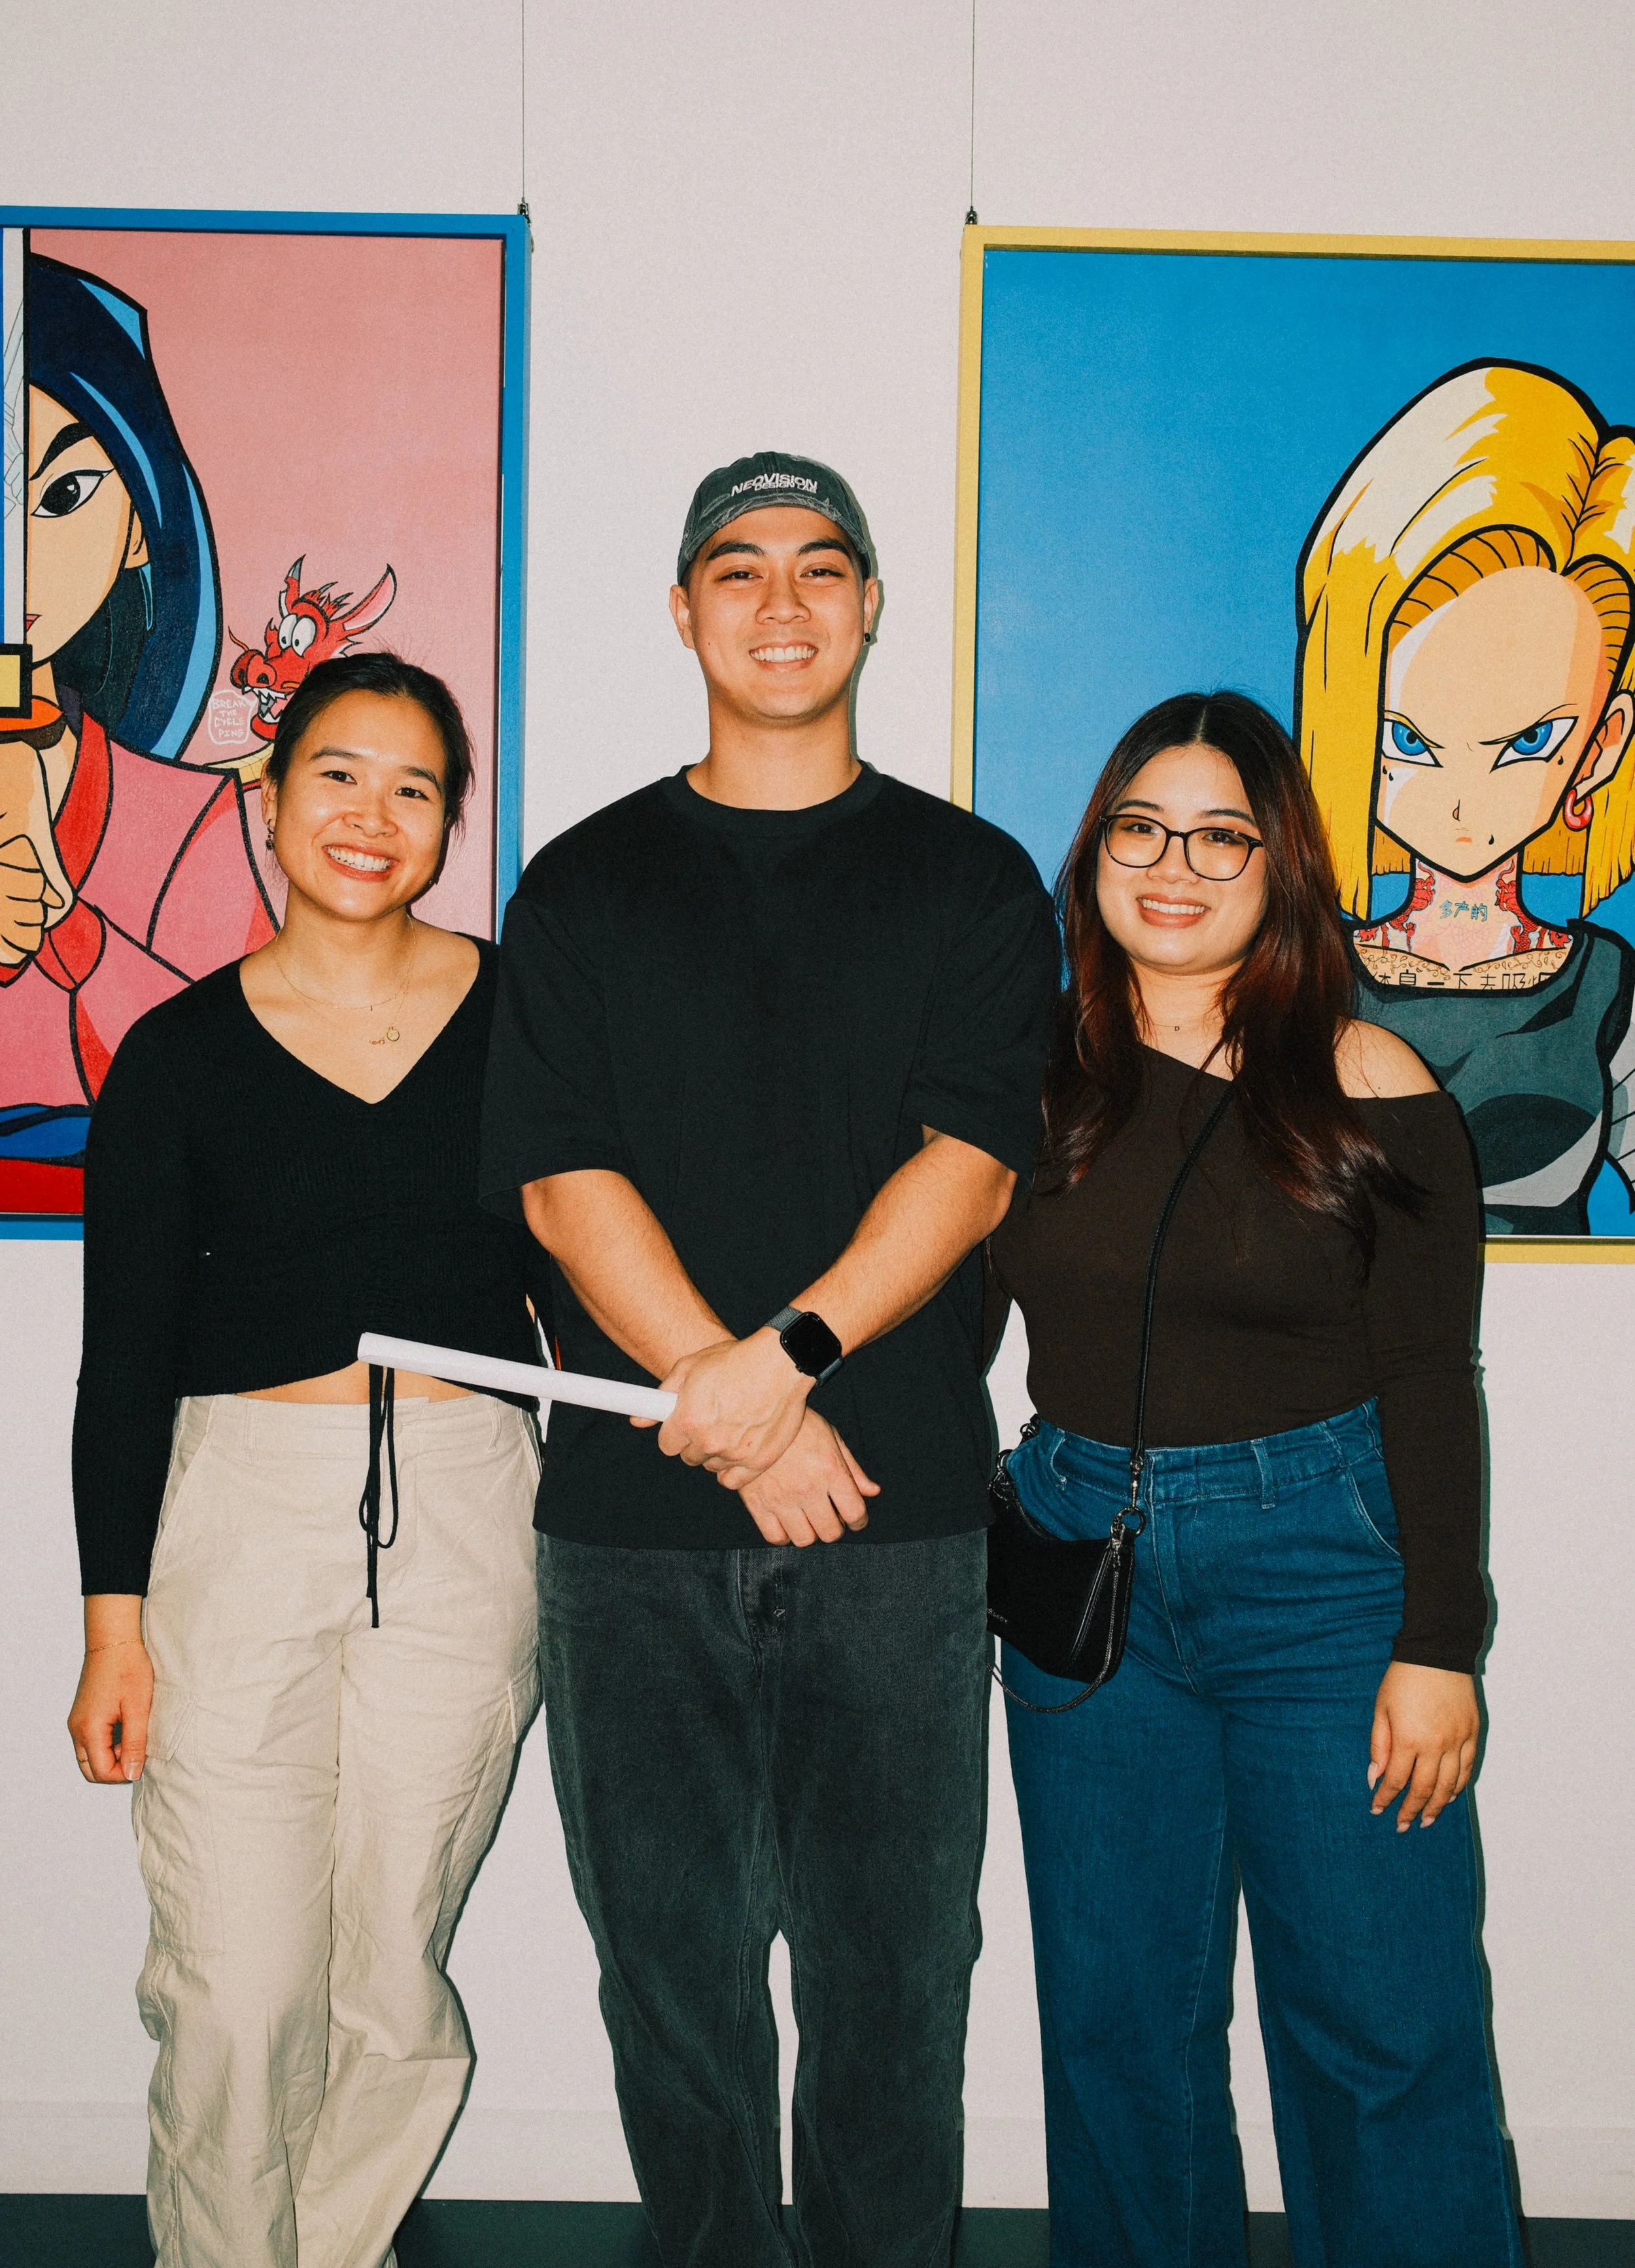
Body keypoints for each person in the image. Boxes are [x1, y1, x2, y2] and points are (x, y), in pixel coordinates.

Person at [481, 451, 1059, 2267]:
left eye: (823, 567)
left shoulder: (970, 879)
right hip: (627, 1525)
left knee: (898, 1968)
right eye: (738, 570)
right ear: (682, 611)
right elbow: (565, 1186)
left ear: (871, 604)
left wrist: (781, 1360)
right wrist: (734, 1418)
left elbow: (965, 1168)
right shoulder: (580, 884)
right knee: (669, 1963)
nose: (784, 601)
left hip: (893, 1508)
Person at [986, 691, 1523, 2267]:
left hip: (1322, 1578)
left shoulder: (1367, 1079)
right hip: (1086, 1578)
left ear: (1277, 868)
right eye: (1140, 829)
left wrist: (1441, 1642)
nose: (1174, 866)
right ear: (1091, 856)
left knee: (1380, 2024)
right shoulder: (1027, 1084)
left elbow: (1432, 1374)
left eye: (1220, 837)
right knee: (1116, 2031)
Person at [67, 651, 544, 2268]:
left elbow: (592, 1270)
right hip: (240, 1517)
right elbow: (120, 1356)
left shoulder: (522, 1022)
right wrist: (111, 1627)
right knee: (234, 1974)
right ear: (269, 800)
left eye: (416, 787)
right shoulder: (176, 1058)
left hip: (471, 1511)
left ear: (449, 824)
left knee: (390, 1964)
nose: (374, 815)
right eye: (339, 774)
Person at [1296, 360, 1635, 1232]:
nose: (1460, 798)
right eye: (1408, 740)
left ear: (1600, 747)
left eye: (1528, 742)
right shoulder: (1300, 976)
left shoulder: (1610, 992)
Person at [3, 251, 275, 1217]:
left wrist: (68, 923)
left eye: (62, 496)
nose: (16, 557)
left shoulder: (187, 815)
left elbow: (246, 1093)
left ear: (135, 527)